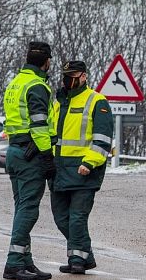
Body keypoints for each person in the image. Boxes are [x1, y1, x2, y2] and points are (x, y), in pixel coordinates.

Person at [50, 61, 112, 275]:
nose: (68, 79)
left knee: (77, 218)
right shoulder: (58, 102)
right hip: (58, 171)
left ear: (84, 76)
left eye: (73, 75)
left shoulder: (97, 101)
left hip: (84, 171)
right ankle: (87, 256)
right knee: (61, 218)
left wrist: (89, 162)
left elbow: (103, 139)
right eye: (66, 75)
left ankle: (77, 259)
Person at [2, 41, 56, 280]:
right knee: (28, 210)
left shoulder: (15, 83)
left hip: (15, 151)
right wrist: (46, 157)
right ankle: (14, 264)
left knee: (21, 208)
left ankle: (25, 261)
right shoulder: (37, 86)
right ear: (46, 61)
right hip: (30, 154)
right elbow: (39, 125)